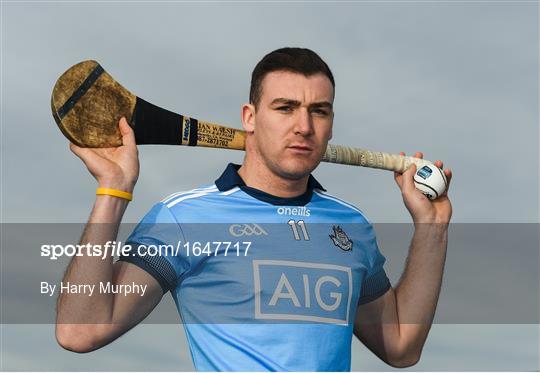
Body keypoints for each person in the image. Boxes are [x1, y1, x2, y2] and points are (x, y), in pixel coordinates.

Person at [56, 47, 453, 371]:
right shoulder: (183, 219)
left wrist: (431, 227)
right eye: (285, 108)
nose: (303, 126)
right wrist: (113, 190)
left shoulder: (350, 226)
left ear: (331, 124)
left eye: (319, 110)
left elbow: (401, 346)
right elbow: (79, 332)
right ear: (250, 117)